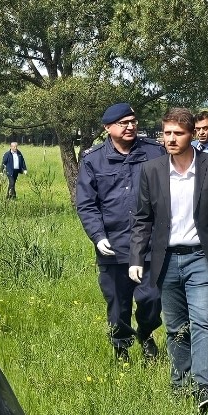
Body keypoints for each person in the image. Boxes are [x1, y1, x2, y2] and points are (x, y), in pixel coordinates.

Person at [129, 108, 208, 415]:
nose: (170, 139)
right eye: (166, 133)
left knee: (204, 322)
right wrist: (136, 258)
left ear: (192, 135)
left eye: (178, 133)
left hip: (202, 258)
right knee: (176, 328)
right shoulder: (152, 170)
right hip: (165, 260)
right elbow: (142, 219)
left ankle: (204, 389)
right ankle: (180, 384)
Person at [77, 103, 166, 363]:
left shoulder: (153, 152)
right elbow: (86, 203)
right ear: (107, 128)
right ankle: (121, 348)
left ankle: (147, 333)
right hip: (113, 246)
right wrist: (98, 235)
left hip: (149, 245)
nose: (130, 126)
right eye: (123, 123)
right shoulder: (93, 159)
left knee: (151, 298)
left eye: (133, 121)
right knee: (117, 305)